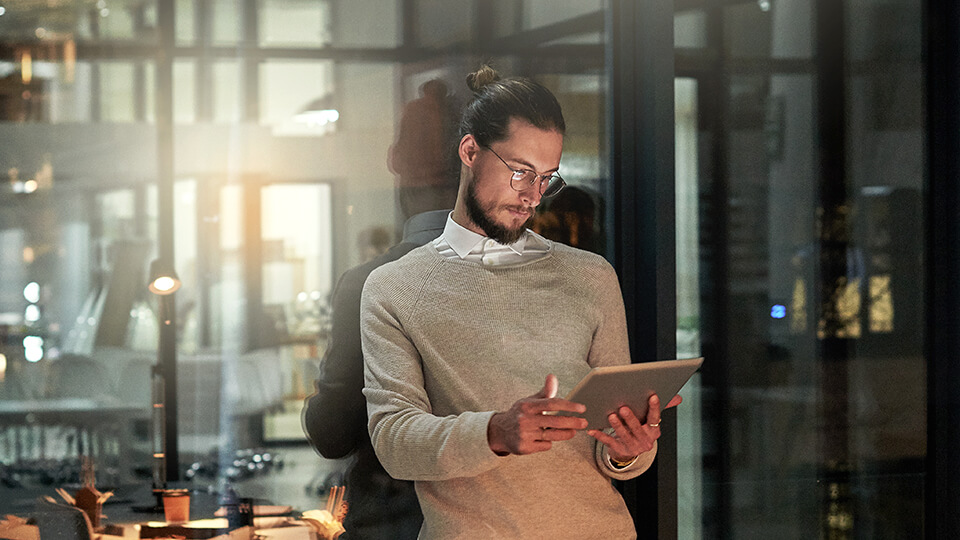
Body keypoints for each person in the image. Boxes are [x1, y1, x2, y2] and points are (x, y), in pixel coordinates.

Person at [360, 65, 681, 539]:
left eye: (547, 177)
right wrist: (495, 432)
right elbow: (394, 441)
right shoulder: (394, 288)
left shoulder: (590, 276)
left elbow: (617, 454)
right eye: (520, 172)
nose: (533, 196)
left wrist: (628, 448)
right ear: (470, 151)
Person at [301, 79, 460, 539]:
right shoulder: (523, 274)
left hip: (396, 515)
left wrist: (322, 392)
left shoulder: (369, 282)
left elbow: (332, 432)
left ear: (395, 167)